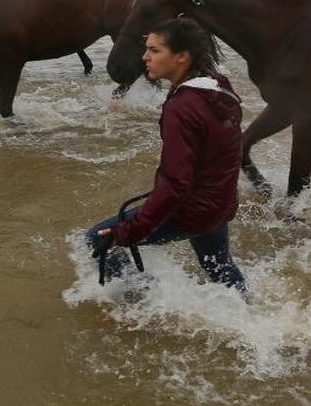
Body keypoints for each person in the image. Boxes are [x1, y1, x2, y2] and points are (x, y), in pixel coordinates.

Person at [86, 19, 247, 291]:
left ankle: (141, 307)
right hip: (219, 203)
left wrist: (126, 232)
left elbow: (175, 184)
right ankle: (248, 318)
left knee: (96, 239)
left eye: (154, 50)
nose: (145, 57)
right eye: (146, 49)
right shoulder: (218, 87)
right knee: (218, 266)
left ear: (181, 56)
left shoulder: (182, 108)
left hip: (194, 210)